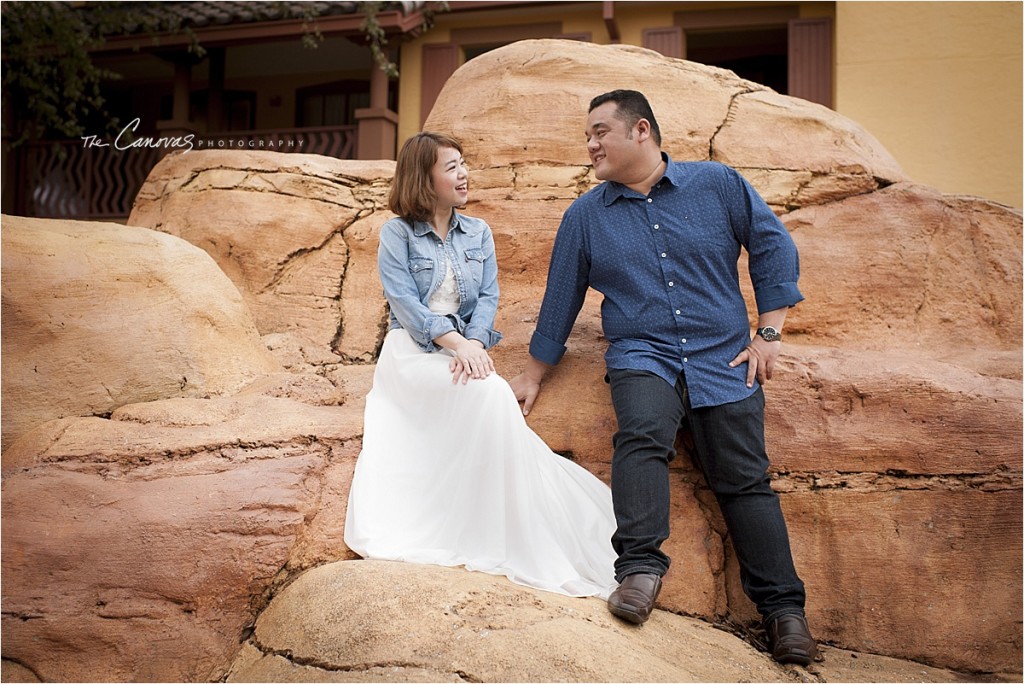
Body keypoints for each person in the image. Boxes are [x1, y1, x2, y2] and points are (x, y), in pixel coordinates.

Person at [509, 90, 818, 665]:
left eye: (600, 132)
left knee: (745, 479)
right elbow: (560, 301)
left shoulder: (717, 185)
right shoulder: (585, 217)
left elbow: (773, 246)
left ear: (641, 131)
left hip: (724, 358)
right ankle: (640, 572)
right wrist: (533, 374)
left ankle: (784, 614)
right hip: (641, 353)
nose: (590, 145)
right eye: (587, 136)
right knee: (642, 435)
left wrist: (768, 334)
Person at [344, 131, 618, 600]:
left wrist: (473, 342)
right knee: (489, 392)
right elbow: (405, 305)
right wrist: (457, 344)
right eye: (451, 167)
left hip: (462, 349)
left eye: (463, 163)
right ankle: (483, 525)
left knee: (487, 393)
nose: (463, 173)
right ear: (424, 178)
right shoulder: (397, 234)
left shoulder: (479, 232)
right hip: (413, 354)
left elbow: (488, 296)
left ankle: (513, 521)